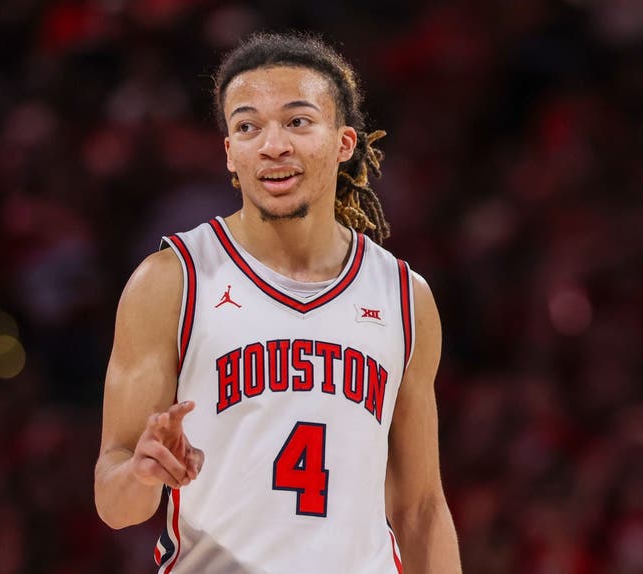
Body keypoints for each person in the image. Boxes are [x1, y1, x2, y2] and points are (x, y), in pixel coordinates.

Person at [94, 32, 462, 573]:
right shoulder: (172, 280)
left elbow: (420, 507)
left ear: (344, 143)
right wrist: (141, 472)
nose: (273, 145)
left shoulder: (405, 298)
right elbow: (115, 504)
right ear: (229, 155)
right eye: (247, 126)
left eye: (297, 121)